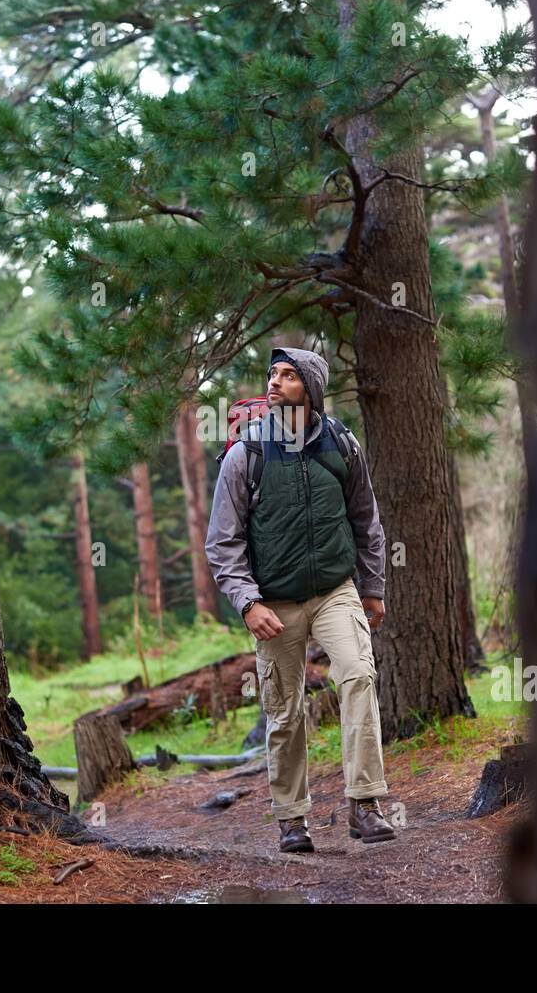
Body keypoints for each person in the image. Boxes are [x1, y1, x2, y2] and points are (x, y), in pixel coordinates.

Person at [204, 346, 396, 852]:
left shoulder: (341, 445)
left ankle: (365, 803)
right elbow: (223, 542)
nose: (274, 383)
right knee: (284, 710)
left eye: (288, 376)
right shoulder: (248, 453)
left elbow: (366, 522)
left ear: (310, 390)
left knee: (358, 676)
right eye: (272, 375)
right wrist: (248, 603)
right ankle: (292, 819)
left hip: (335, 590)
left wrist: (372, 588)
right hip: (274, 603)